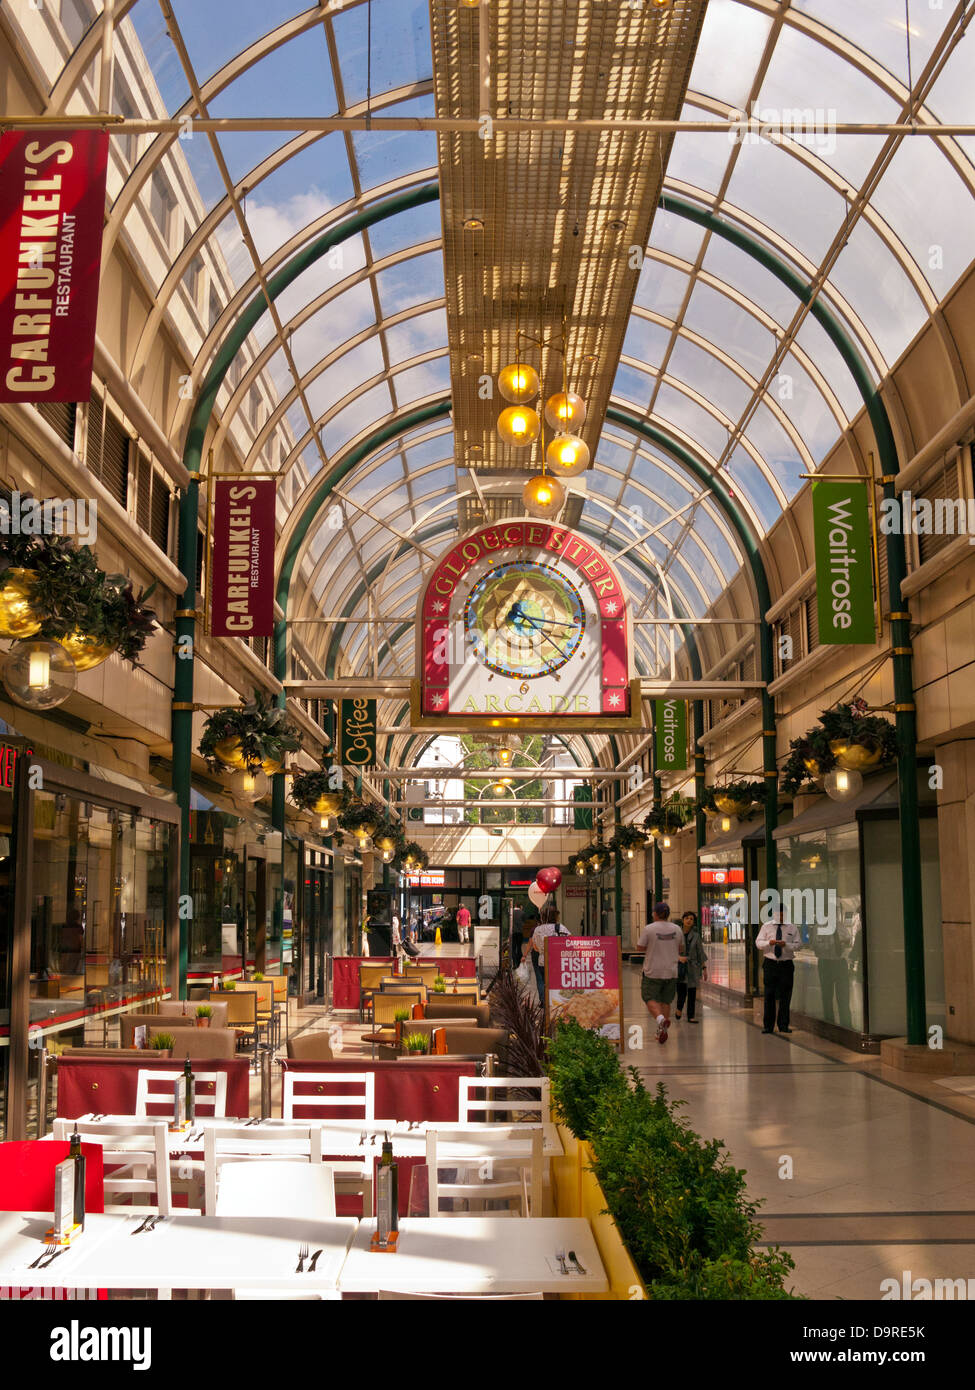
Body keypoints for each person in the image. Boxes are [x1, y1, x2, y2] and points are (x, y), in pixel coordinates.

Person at [636, 902, 682, 1045]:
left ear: (655, 913)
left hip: (653, 971)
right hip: (672, 971)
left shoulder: (649, 929)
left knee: (649, 997)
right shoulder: (677, 929)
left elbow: (639, 948)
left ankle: (661, 1020)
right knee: (666, 1001)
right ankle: (663, 1031)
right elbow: (681, 949)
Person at [755, 906, 803, 1034]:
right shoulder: (766, 926)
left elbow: (799, 945)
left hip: (786, 965)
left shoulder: (792, 927)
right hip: (770, 964)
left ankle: (783, 1025)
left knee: (785, 996)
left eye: (782, 915)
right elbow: (758, 943)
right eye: (778, 915)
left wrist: (786, 945)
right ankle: (768, 1026)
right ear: (774, 914)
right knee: (769, 995)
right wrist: (768, 943)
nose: (780, 918)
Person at [531, 901, 568, 1002]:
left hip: (542, 961)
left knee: (544, 982)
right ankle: (555, 1003)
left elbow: (535, 948)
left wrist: (542, 950)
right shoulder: (560, 928)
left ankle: (545, 1002)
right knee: (556, 984)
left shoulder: (537, 930)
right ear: (556, 917)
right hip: (557, 961)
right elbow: (571, 942)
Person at [674, 909, 707, 1024]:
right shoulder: (676, 934)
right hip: (680, 966)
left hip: (693, 967)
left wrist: (704, 968)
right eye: (687, 918)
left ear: (694, 922)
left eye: (691, 919)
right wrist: (678, 958)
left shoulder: (696, 936)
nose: (689, 920)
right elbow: (670, 950)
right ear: (683, 920)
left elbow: (700, 952)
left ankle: (691, 1016)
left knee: (692, 992)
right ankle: (679, 1008)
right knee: (681, 992)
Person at [513, 938, 540, 1006]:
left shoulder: (536, 930)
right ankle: (543, 999)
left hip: (537, 957)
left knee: (539, 979)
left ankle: (542, 1000)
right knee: (540, 979)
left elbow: (530, 943)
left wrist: (524, 955)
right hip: (543, 957)